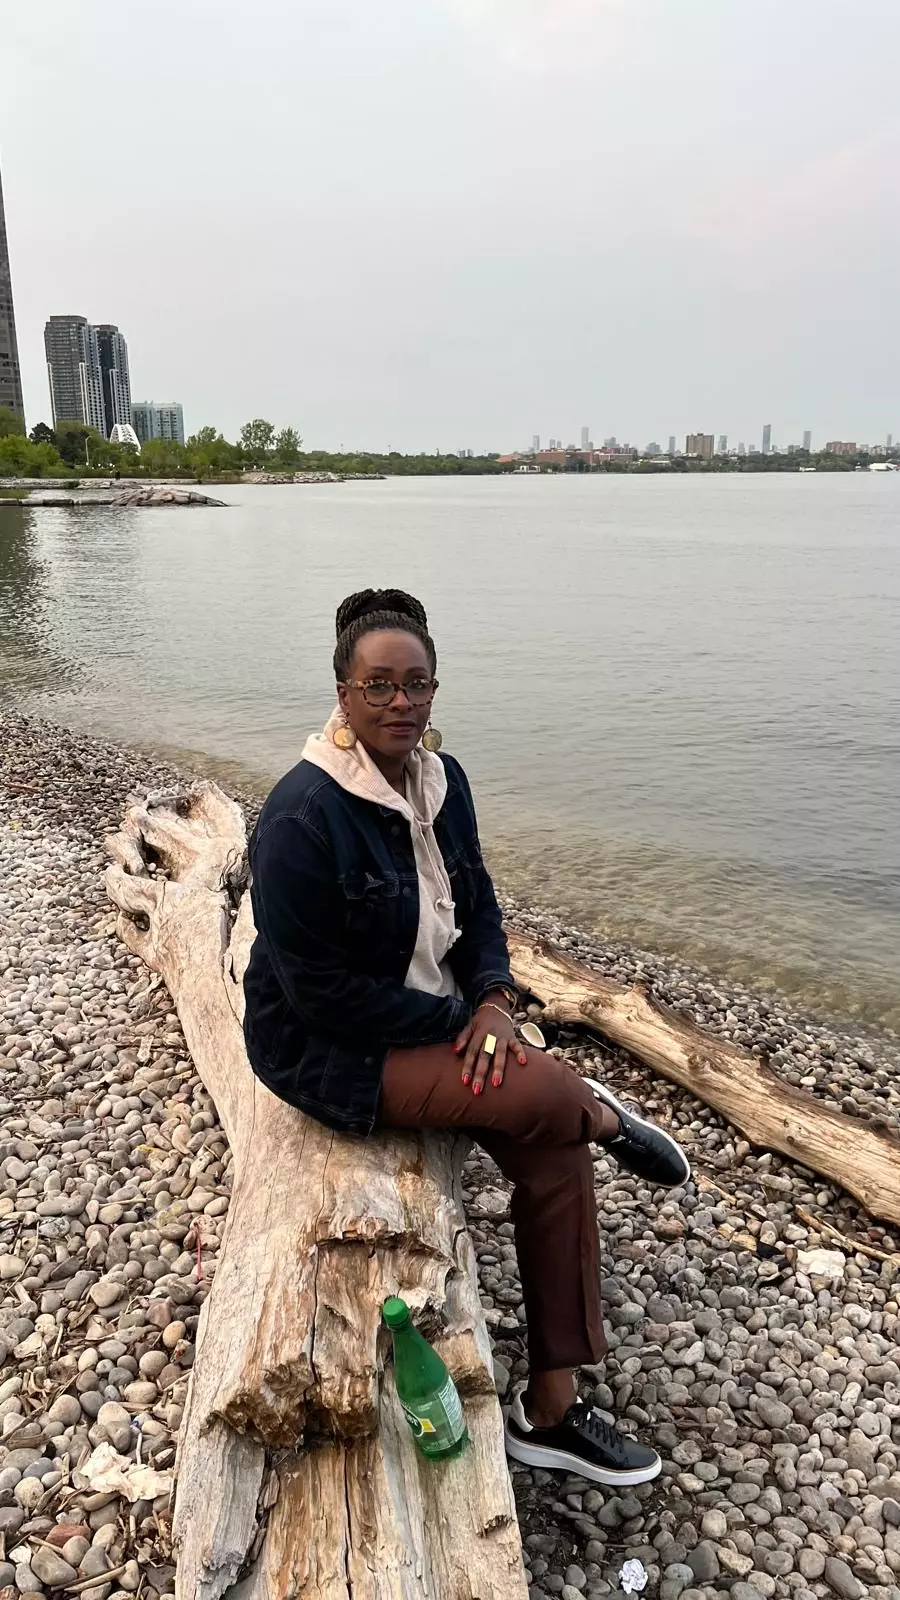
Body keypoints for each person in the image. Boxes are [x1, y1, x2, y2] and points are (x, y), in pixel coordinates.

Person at [243, 587, 690, 1487]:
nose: (400, 702)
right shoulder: (300, 817)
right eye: (378, 686)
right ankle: (598, 1111)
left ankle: (551, 1412)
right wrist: (462, 1021)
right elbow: (320, 994)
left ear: (435, 689)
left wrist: (491, 999)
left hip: (441, 1013)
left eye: (417, 684)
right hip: (337, 1048)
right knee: (549, 1103)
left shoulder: (446, 784)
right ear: (342, 691)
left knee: (548, 1142)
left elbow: (480, 906)